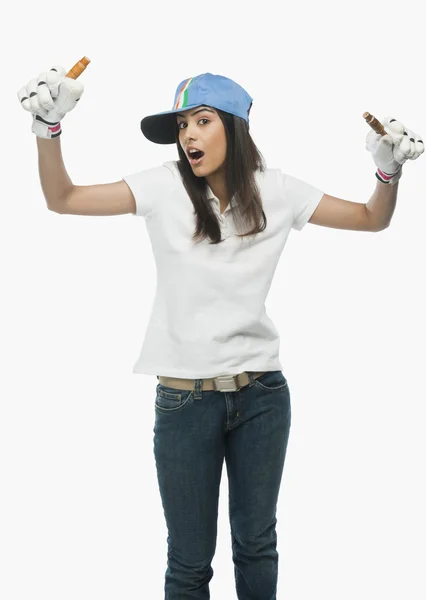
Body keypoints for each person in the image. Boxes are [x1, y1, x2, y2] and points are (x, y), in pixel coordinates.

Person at [18, 66, 424, 600]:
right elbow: (63, 198)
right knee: (188, 563)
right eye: (182, 124)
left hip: (262, 397)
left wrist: (386, 174)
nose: (188, 135)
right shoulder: (163, 186)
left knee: (256, 546)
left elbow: (373, 219)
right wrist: (49, 130)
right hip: (185, 402)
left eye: (201, 120)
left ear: (233, 128)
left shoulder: (278, 191)